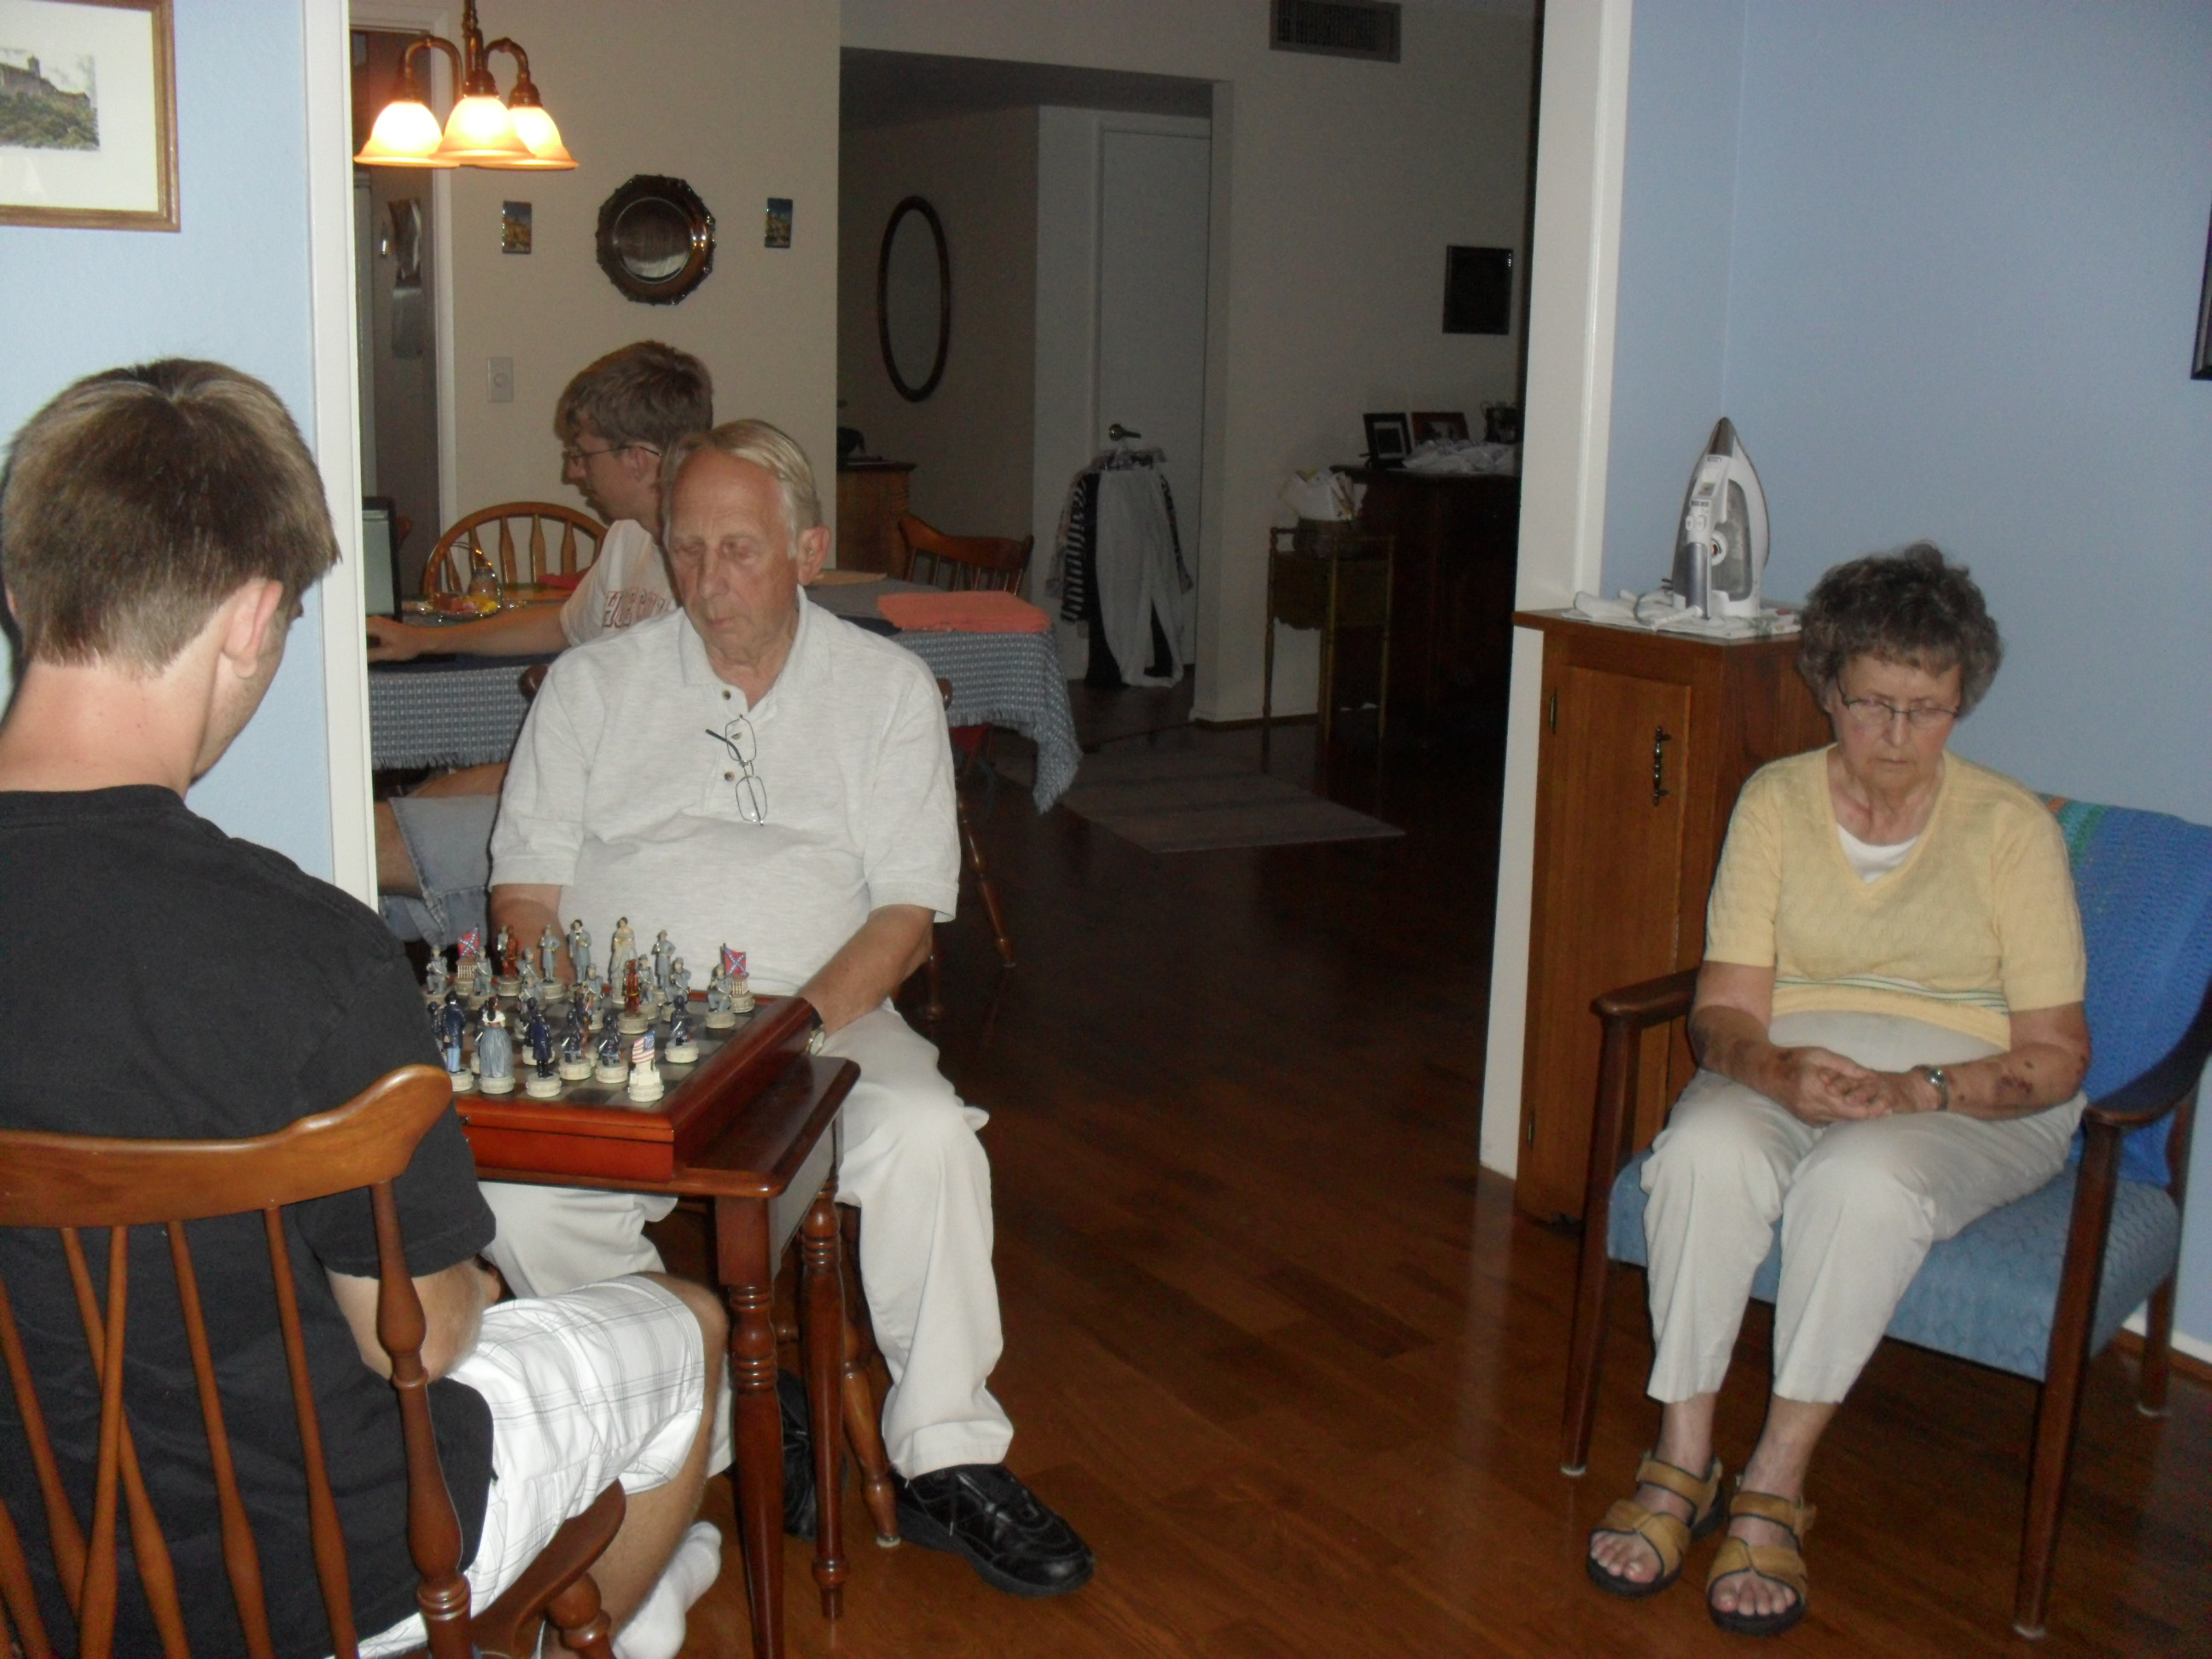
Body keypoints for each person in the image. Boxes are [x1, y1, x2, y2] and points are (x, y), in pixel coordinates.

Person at [0, 360, 729, 1659]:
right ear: (251, 619)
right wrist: (475, 1280)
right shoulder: (308, 951)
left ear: (19, 593)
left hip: (43, 1575)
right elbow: (430, 1339)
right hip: (335, 1574)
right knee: (689, 1327)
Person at [483, 419, 1096, 1598]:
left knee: (929, 1139)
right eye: (687, 548)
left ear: (809, 551)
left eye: (740, 550)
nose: (707, 581)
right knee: (519, 1196)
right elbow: (524, 896)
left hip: (826, 1015)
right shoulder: (592, 686)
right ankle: (708, 1418)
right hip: (632, 1026)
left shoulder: (886, 690)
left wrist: (783, 1036)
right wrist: (599, 1026)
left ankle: (947, 1454)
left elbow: (906, 916)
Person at [1585, 544, 2089, 1637]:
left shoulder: (2012, 830)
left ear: (1962, 700)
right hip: (1795, 1065)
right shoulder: (1774, 802)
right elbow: (1724, 1012)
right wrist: (1778, 1070)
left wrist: (1920, 1088)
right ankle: (1683, 1458)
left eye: (1929, 708)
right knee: (1701, 1154)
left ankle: (1774, 1481)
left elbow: (2056, 1057)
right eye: (1873, 704)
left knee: (1857, 1184)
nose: (1898, 735)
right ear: (1827, 687)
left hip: (1972, 1098)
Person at [370, 341, 712, 946]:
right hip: (579, 779)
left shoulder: (710, 570)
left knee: (371, 839)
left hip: (622, 811)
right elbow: (561, 625)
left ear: (638, 460)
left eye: (582, 454)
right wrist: (422, 640)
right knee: (411, 803)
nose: (572, 473)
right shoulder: (629, 538)